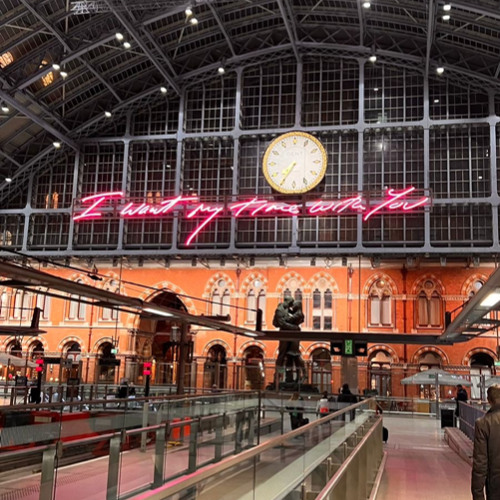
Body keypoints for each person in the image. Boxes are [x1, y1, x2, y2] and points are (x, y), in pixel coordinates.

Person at [471, 384, 500, 500]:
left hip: (495, 486)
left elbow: (480, 464)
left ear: (489, 401)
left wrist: (478, 494)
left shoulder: (483, 424)